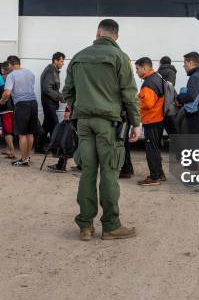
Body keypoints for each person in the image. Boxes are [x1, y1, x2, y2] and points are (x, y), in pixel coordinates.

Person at [62, 18, 141, 241]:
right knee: (109, 173)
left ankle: (85, 226)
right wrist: (136, 122)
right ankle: (111, 226)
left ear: (98, 33)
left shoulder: (78, 57)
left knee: (87, 171)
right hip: (109, 125)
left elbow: (67, 92)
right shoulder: (120, 57)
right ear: (116, 36)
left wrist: (81, 106)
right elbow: (129, 94)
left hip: (84, 123)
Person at [0, 56, 41, 167]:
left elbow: (7, 93)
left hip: (22, 105)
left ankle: (23, 159)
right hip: (33, 103)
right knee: (30, 133)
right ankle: (27, 156)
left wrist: (2, 101)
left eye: (8, 64)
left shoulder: (11, 75)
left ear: (11, 64)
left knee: (22, 134)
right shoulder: (30, 73)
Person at [175, 52, 199, 176]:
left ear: (190, 63)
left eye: (184, 63)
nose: (183, 66)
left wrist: (179, 97)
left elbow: (191, 96)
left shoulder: (195, 77)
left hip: (198, 117)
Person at [135, 57, 166, 186]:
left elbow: (148, 103)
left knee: (151, 150)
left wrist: (136, 101)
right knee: (155, 148)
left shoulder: (149, 82)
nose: (136, 72)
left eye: (137, 69)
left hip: (151, 120)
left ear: (145, 67)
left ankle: (154, 177)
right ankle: (160, 174)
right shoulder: (157, 78)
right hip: (158, 119)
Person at [36, 52, 65, 154]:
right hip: (49, 103)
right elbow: (47, 89)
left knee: (47, 125)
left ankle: (38, 147)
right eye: (61, 61)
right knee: (55, 125)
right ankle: (56, 149)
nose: (63, 63)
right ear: (55, 60)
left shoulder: (54, 71)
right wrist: (60, 97)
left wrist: (60, 96)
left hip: (50, 103)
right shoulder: (50, 71)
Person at [0, 61, 16, 159]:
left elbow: (3, 92)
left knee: (7, 131)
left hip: (6, 108)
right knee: (10, 129)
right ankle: (8, 149)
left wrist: (0, 102)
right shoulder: (14, 77)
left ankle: (12, 152)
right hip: (15, 107)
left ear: (2, 70)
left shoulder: (2, 78)